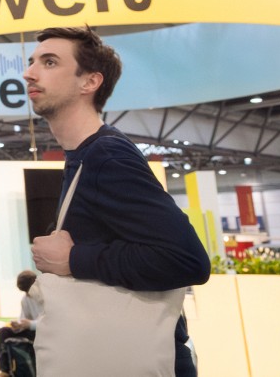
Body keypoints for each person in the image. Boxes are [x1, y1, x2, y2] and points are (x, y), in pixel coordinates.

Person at [26, 26, 209, 377]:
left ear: (89, 82)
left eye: (49, 62)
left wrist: (74, 258)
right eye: (32, 61)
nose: (29, 72)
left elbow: (188, 261)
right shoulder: (84, 156)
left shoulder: (106, 156)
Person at [0, 270, 42, 377]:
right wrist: (18, 325)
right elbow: (24, 319)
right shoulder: (25, 299)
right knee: (3, 332)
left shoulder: (46, 298)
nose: (27, 293)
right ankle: (4, 370)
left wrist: (30, 325)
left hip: (43, 333)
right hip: (32, 332)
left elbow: (50, 322)